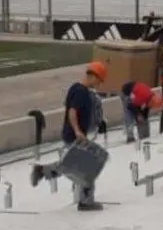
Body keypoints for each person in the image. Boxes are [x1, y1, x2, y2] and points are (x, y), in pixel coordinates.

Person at [30, 61, 107, 211]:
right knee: (86, 169)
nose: (99, 84)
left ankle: (42, 171)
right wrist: (78, 131)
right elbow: (72, 112)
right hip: (74, 135)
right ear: (93, 76)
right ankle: (86, 202)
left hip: (73, 134)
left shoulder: (77, 89)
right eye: (99, 80)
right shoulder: (81, 92)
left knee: (71, 166)